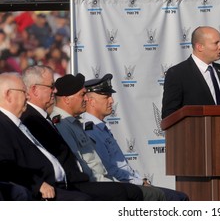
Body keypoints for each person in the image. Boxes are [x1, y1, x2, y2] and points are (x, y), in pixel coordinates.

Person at [21, 65, 143, 201]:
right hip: (71, 183)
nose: (55, 91)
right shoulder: (34, 119)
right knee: (127, 192)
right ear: (34, 90)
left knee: (130, 191)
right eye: (51, 86)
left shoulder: (47, 118)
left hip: (83, 180)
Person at [51, 73, 162, 200]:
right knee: (151, 195)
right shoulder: (62, 123)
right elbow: (81, 166)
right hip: (89, 184)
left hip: (102, 181)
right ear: (66, 99)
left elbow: (97, 165)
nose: (86, 99)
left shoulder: (75, 123)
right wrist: (114, 184)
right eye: (82, 95)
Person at [83, 73, 189, 200]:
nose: (112, 101)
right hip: (121, 189)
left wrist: (140, 181)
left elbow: (121, 167)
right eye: (106, 97)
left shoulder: (100, 128)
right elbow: (111, 170)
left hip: (130, 184)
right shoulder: (90, 130)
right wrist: (139, 183)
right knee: (179, 199)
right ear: (91, 101)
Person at [0, 72, 91, 200]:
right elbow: (5, 166)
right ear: (9, 95)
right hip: (35, 192)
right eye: (23, 92)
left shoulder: (16, 123)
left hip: (54, 186)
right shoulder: (3, 124)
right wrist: (38, 185)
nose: (27, 96)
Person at [161, 26, 220, 119]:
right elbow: (169, 114)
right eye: (216, 43)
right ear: (200, 47)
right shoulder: (178, 73)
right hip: (194, 134)